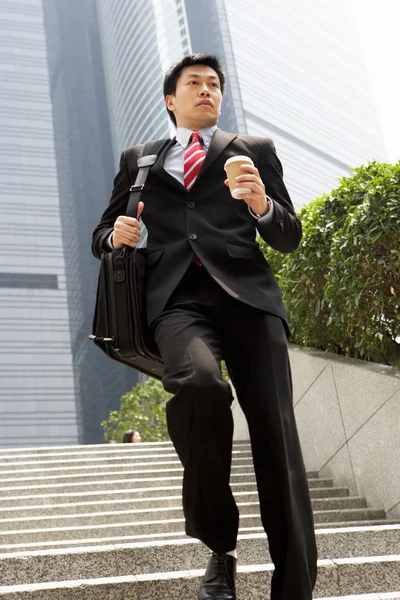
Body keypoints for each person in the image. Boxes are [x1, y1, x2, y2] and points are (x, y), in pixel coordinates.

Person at [92, 53, 317, 600]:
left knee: (275, 435)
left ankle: (294, 589)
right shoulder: (139, 160)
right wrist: (115, 235)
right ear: (171, 100)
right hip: (175, 300)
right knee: (198, 385)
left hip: (249, 299)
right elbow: (103, 232)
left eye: (214, 84)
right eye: (193, 83)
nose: (206, 90)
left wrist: (262, 204)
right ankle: (221, 547)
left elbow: (288, 234)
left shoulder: (253, 152)